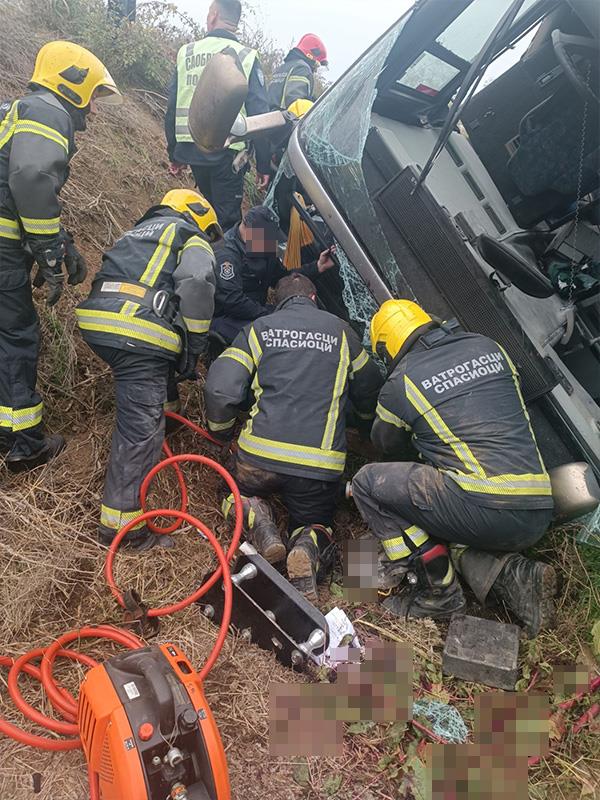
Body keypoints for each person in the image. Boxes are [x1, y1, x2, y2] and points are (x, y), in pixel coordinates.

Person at [351, 300, 557, 637]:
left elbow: (385, 444)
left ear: (388, 349)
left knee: (367, 482)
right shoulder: (487, 345)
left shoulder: (401, 382)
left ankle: (437, 591)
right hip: (537, 509)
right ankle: (519, 577)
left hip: (484, 505)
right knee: (453, 519)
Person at [204, 273, 383, 599]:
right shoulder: (342, 332)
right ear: (314, 299)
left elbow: (220, 386)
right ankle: (307, 545)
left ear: (277, 302)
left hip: (259, 460)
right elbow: (370, 384)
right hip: (317, 469)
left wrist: (220, 432)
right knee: (317, 519)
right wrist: (365, 424)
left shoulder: (261, 329)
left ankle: (256, 518)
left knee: (229, 486)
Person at [75, 190, 222, 551]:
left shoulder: (140, 231)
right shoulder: (190, 236)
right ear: (199, 216)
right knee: (139, 430)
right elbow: (198, 284)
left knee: (157, 362)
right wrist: (195, 348)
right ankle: (123, 530)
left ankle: (168, 415)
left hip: (99, 321)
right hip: (136, 331)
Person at [0, 41, 121, 472]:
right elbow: (31, 178)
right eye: (91, 98)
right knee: (15, 336)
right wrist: (49, 252)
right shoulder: (50, 113)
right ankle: (24, 443)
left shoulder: (18, 111)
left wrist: (61, 241)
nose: (91, 112)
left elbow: (17, 191)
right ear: (74, 84)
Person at [165, 0, 271, 231]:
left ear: (213, 15)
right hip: (227, 153)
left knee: (207, 211)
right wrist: (264, 164)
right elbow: (259, 112)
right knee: (227, 221)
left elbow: (172, 105)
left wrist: (174, 152)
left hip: (192, 149)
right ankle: (221, 264)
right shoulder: (246, 56)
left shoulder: (187, 52)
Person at [211, 205, 335, 344]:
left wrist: (317, 267)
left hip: (256, 310)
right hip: (226, 317)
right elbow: (232, 301)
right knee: (273, 338)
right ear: (249, 230)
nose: (271, 242)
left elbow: (281, 277)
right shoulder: (226, 255)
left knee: (296, 323)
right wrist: (269, 316)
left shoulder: (262, 243)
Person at [268, 34, 328, 110]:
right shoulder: (302, 69)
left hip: (271, 118)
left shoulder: (283, 68)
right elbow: (296, 104)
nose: (316, 70)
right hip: (287, 120)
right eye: (317, 65)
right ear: (311, 55)